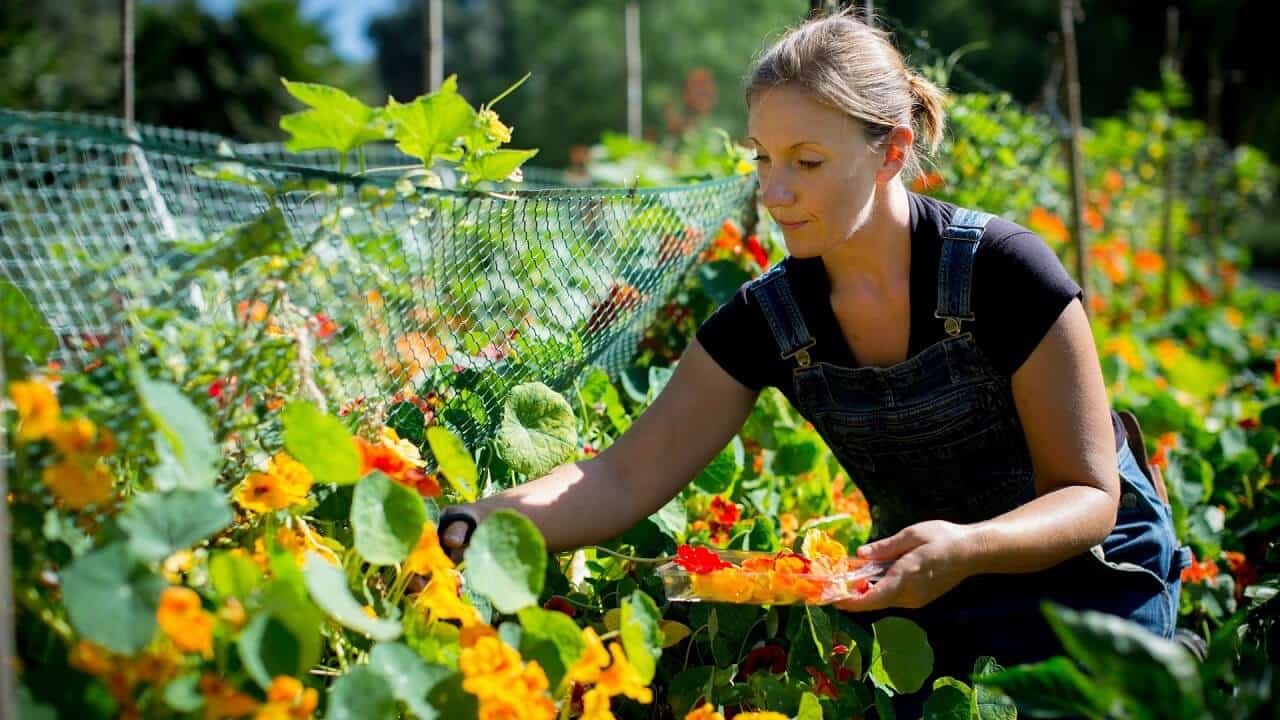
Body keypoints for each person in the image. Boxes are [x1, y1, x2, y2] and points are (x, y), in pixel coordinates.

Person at [439, 10, 1190, 714]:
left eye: (807, 160)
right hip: (925, 587)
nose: (774, 191)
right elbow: (622, 475)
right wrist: (467, 524)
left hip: (1089, 579)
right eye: (763, 158)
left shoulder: (1002, 270)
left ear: (892, 150)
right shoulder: (772, 316)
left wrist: (965, 548)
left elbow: (1089, 494)